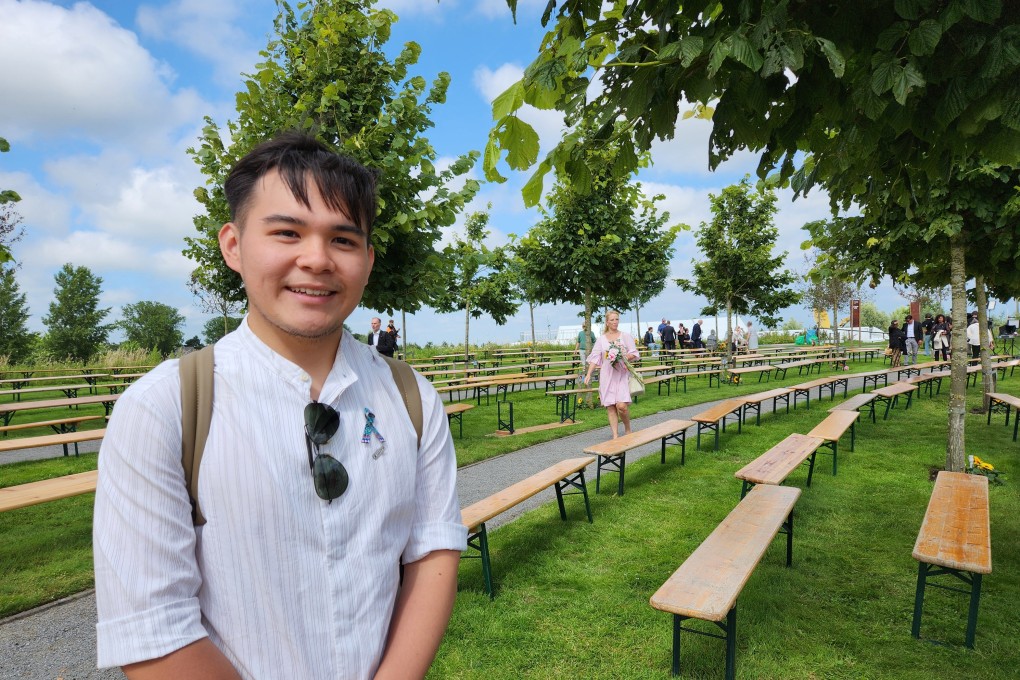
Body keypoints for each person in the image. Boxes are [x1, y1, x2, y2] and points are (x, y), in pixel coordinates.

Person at [93, 132, 466, 679]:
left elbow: (433, 551)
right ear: (233, 246)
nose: (315, 260)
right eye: (287, 232)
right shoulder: (164, 408)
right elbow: (155, 631)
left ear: (367, 258)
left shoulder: (411, 397)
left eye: (343, 240)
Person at [583, 310, 639, 439]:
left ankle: (628, 429)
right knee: (610, 407)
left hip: (621, 374)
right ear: (607, 322)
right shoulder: (601, 340)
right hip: (607, 375)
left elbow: (634, 353)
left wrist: (623, 356)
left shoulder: (625, 336)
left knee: (621, 406)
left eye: (617, 319)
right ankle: (615, 435)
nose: (615, 322)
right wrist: (589, 374)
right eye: (612, 320)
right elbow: (595, 357)